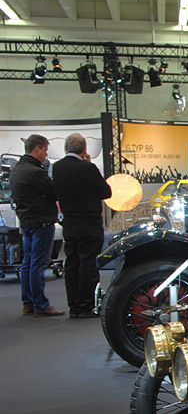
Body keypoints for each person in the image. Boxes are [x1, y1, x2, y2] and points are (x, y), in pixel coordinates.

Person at [52, 133, 111, 318]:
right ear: (84, 149)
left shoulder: (57, 167)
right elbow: (106, 192)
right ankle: (87, 305)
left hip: (69, 221)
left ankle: (74, 306)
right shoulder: (88, 168)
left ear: (65, 148)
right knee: (88, 263)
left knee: (72, 263)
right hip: (89, 221)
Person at [10, 134, 63, 316]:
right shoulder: (36, 172)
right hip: (41, 221)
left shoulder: (17, 169)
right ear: (37, 149)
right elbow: (54, 192)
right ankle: (40, 304)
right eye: (45, 150)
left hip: (26, 221)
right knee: (38, 265)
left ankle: (28, 303)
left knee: (28, 263)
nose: (46, 154)